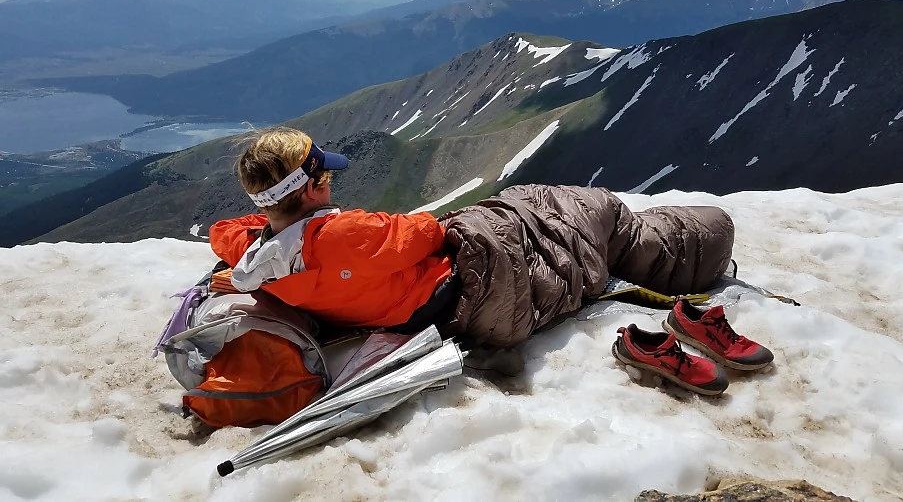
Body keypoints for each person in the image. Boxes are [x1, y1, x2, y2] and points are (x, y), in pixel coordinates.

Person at [209, 127, 749, 390]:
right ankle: (706, 240)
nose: (331, 181)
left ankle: (664, 234)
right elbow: (424, 232)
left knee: (546, 207)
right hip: (481, 278)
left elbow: (223, 231)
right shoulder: (345, 234)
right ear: (313, 187)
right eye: (323, 174)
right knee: (589, 211)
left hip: (440, 299)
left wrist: (270, 225)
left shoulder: (257, 258)